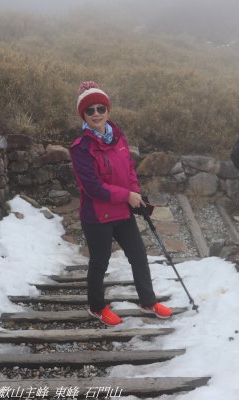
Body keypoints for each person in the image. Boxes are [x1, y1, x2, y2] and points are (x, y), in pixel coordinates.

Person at [70, 81, 173, 326]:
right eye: (90, 110)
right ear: (83, 115)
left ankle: (148, 301)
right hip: (96, 216)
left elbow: (129, 170)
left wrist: (135, 194)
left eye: (100, 108)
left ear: (108, 110)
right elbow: (92, 187)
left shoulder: (118, 137)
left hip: (123, 211)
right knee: (100, 262)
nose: (96, 114)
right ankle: (96, 307)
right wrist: (126, 195)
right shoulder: (81, 148)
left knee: (138, 256)